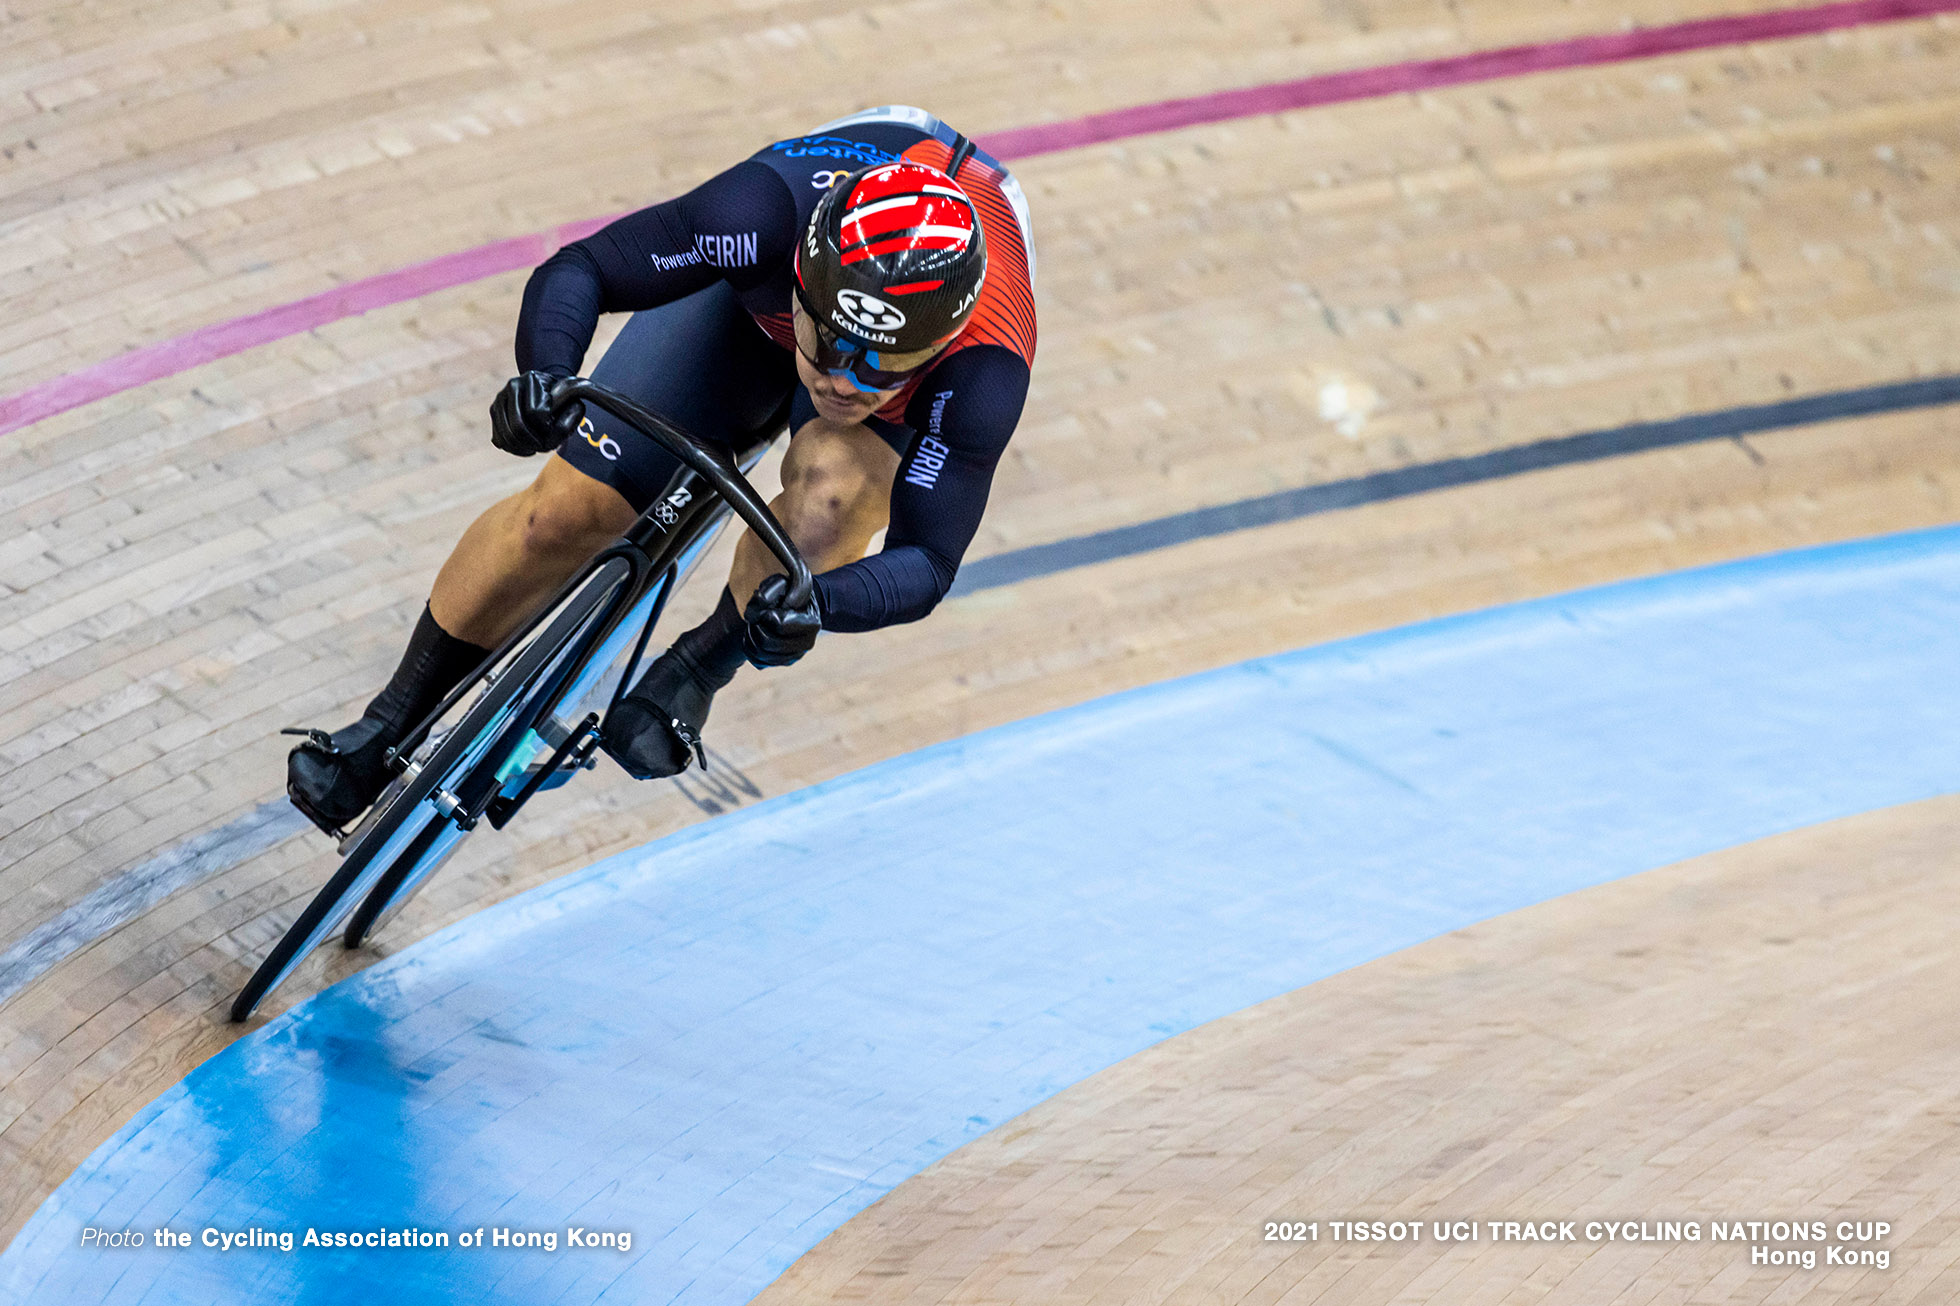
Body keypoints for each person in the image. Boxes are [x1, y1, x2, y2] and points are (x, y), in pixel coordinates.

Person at [285, 106, 1038, 834]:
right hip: (761, 297)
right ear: (801, 277)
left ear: (937, 347)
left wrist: (818, 605)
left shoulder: (981, 375)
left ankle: (702, 663)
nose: (845, 382)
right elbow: (584, 268)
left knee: (830, 506)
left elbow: (929, 560)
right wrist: (543, 378)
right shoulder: (758, 217)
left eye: (885, 367)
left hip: (876, 328)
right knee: (563, 515)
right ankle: (387, 720)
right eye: (832, 343)